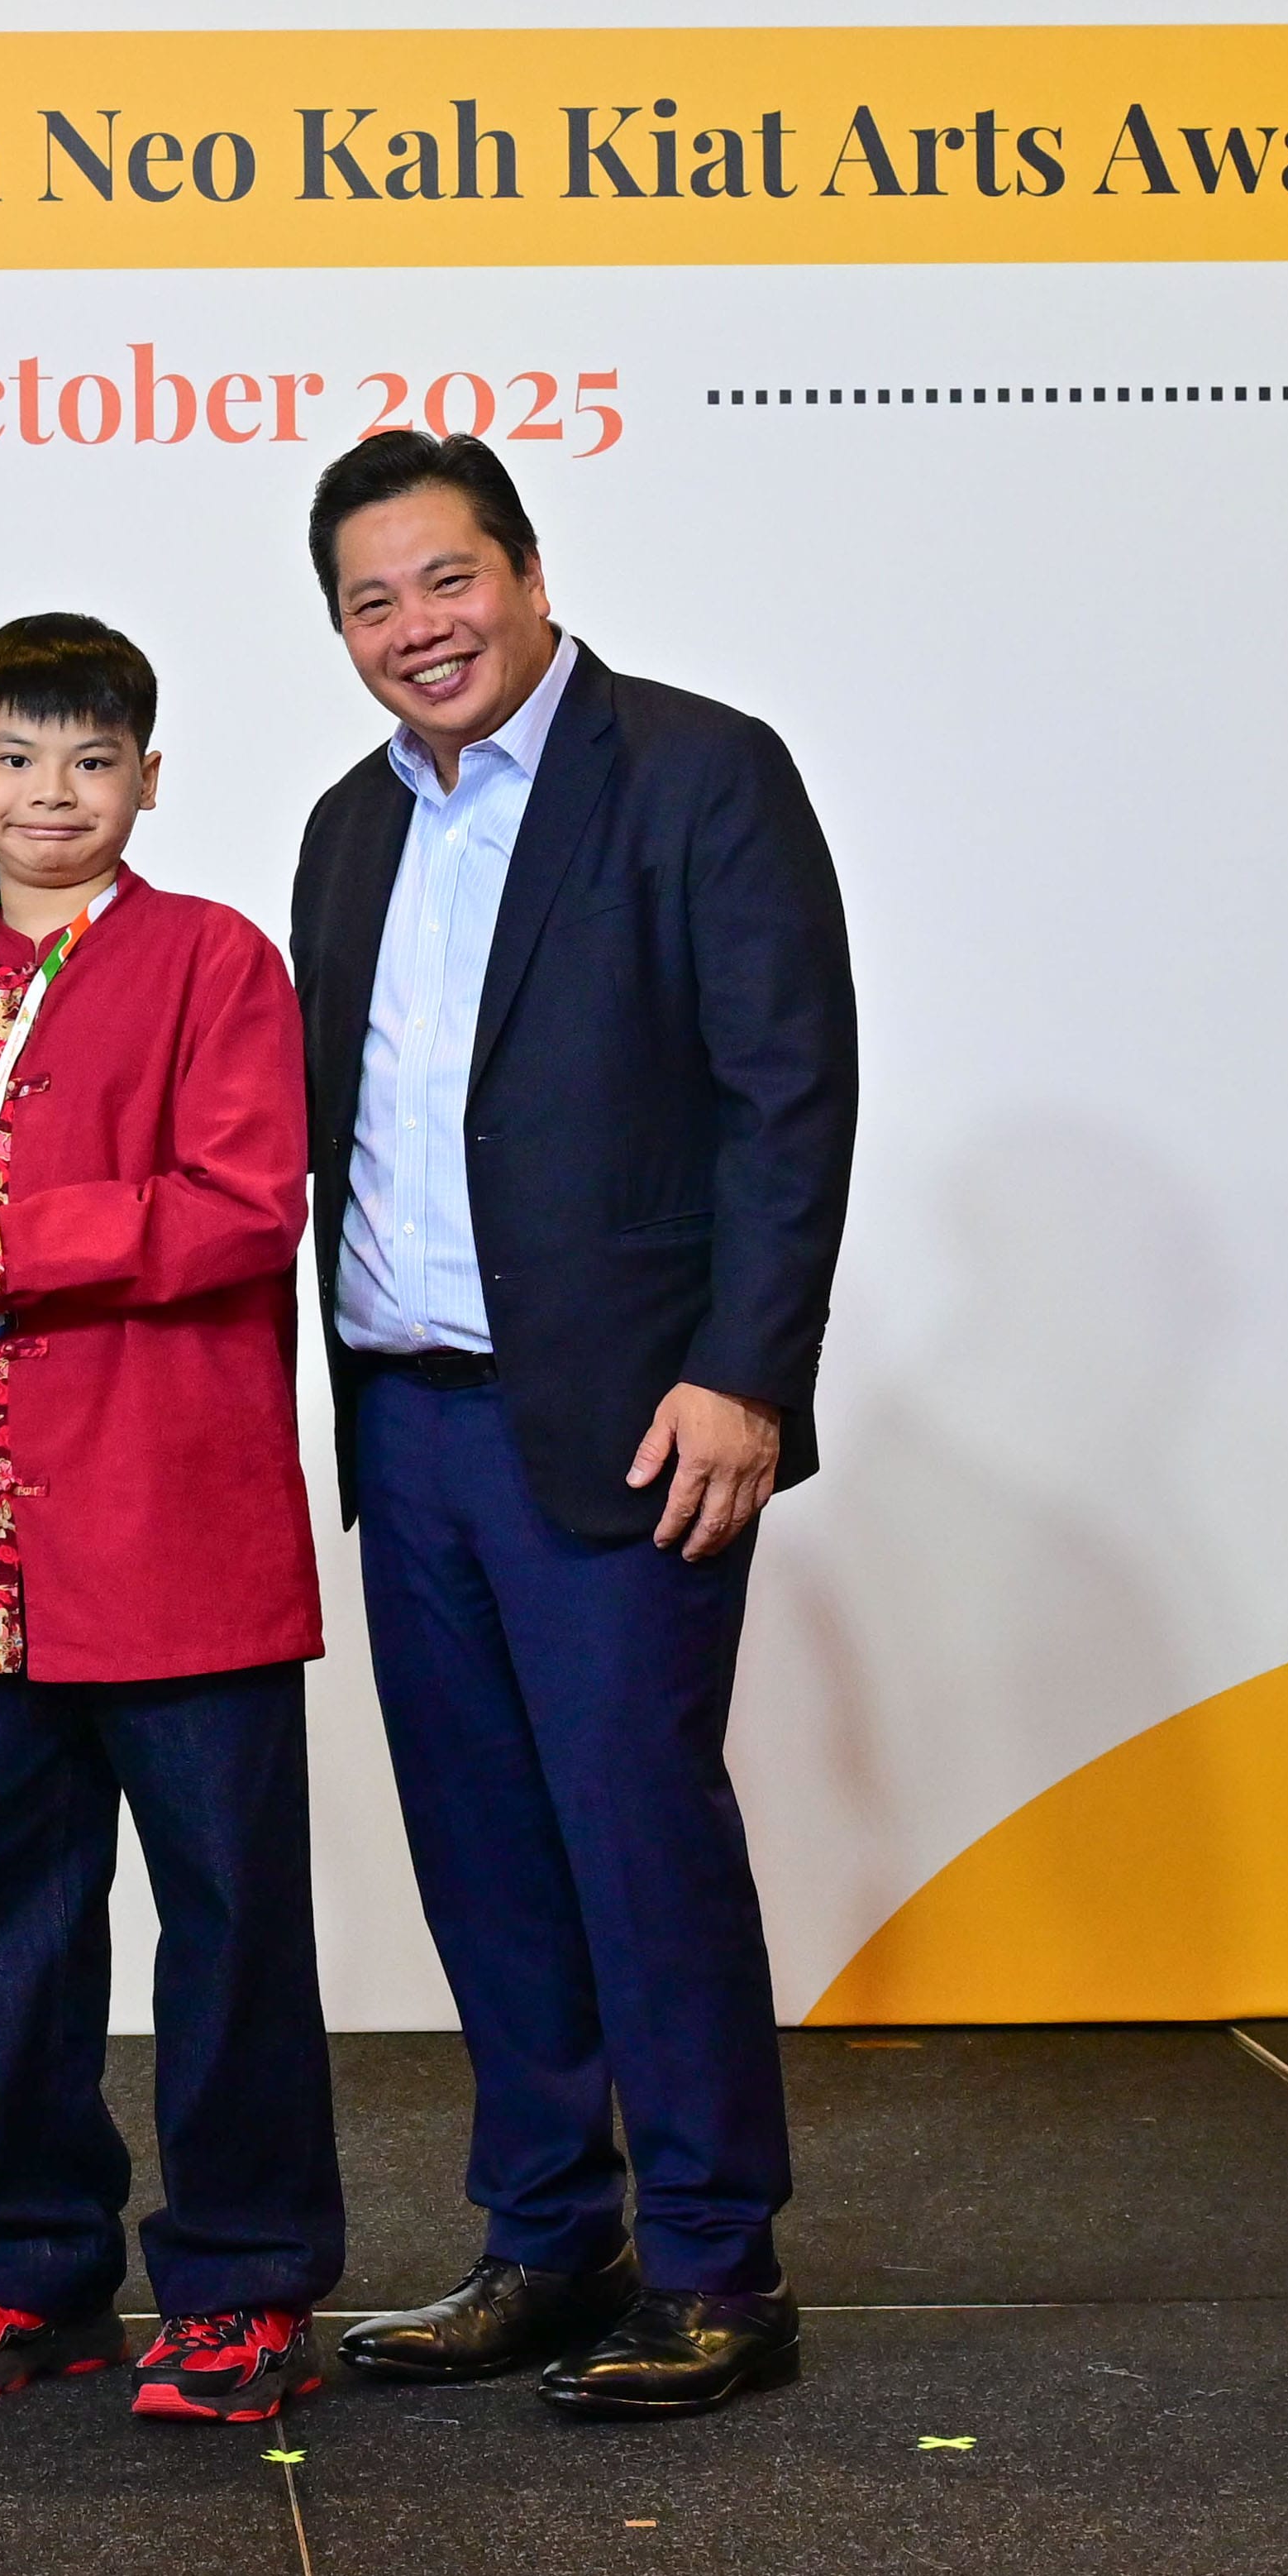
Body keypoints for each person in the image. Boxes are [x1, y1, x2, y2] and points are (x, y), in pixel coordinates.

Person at [287, 428, 856, 2419]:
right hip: (413, 1423)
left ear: (526, 573)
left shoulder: (700, 772)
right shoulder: (349, 828)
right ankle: (547, 2239)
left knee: (639, 1841)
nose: (414, 630)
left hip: (627, 1417)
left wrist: (747, 1374)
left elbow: (789, 1098)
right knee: (488, 1857)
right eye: (371, 602)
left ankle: (715, 2267)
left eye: (445, 582)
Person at [0, 614, 344, 2425]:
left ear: (148, 777)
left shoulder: (217, 963)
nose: (53, 794)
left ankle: (247, 2279)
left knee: (228, 1921)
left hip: (179, 1519)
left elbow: (237, 1210)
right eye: (18, 758)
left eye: (93, 761)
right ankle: (31, 2268)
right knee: (4, 1923)